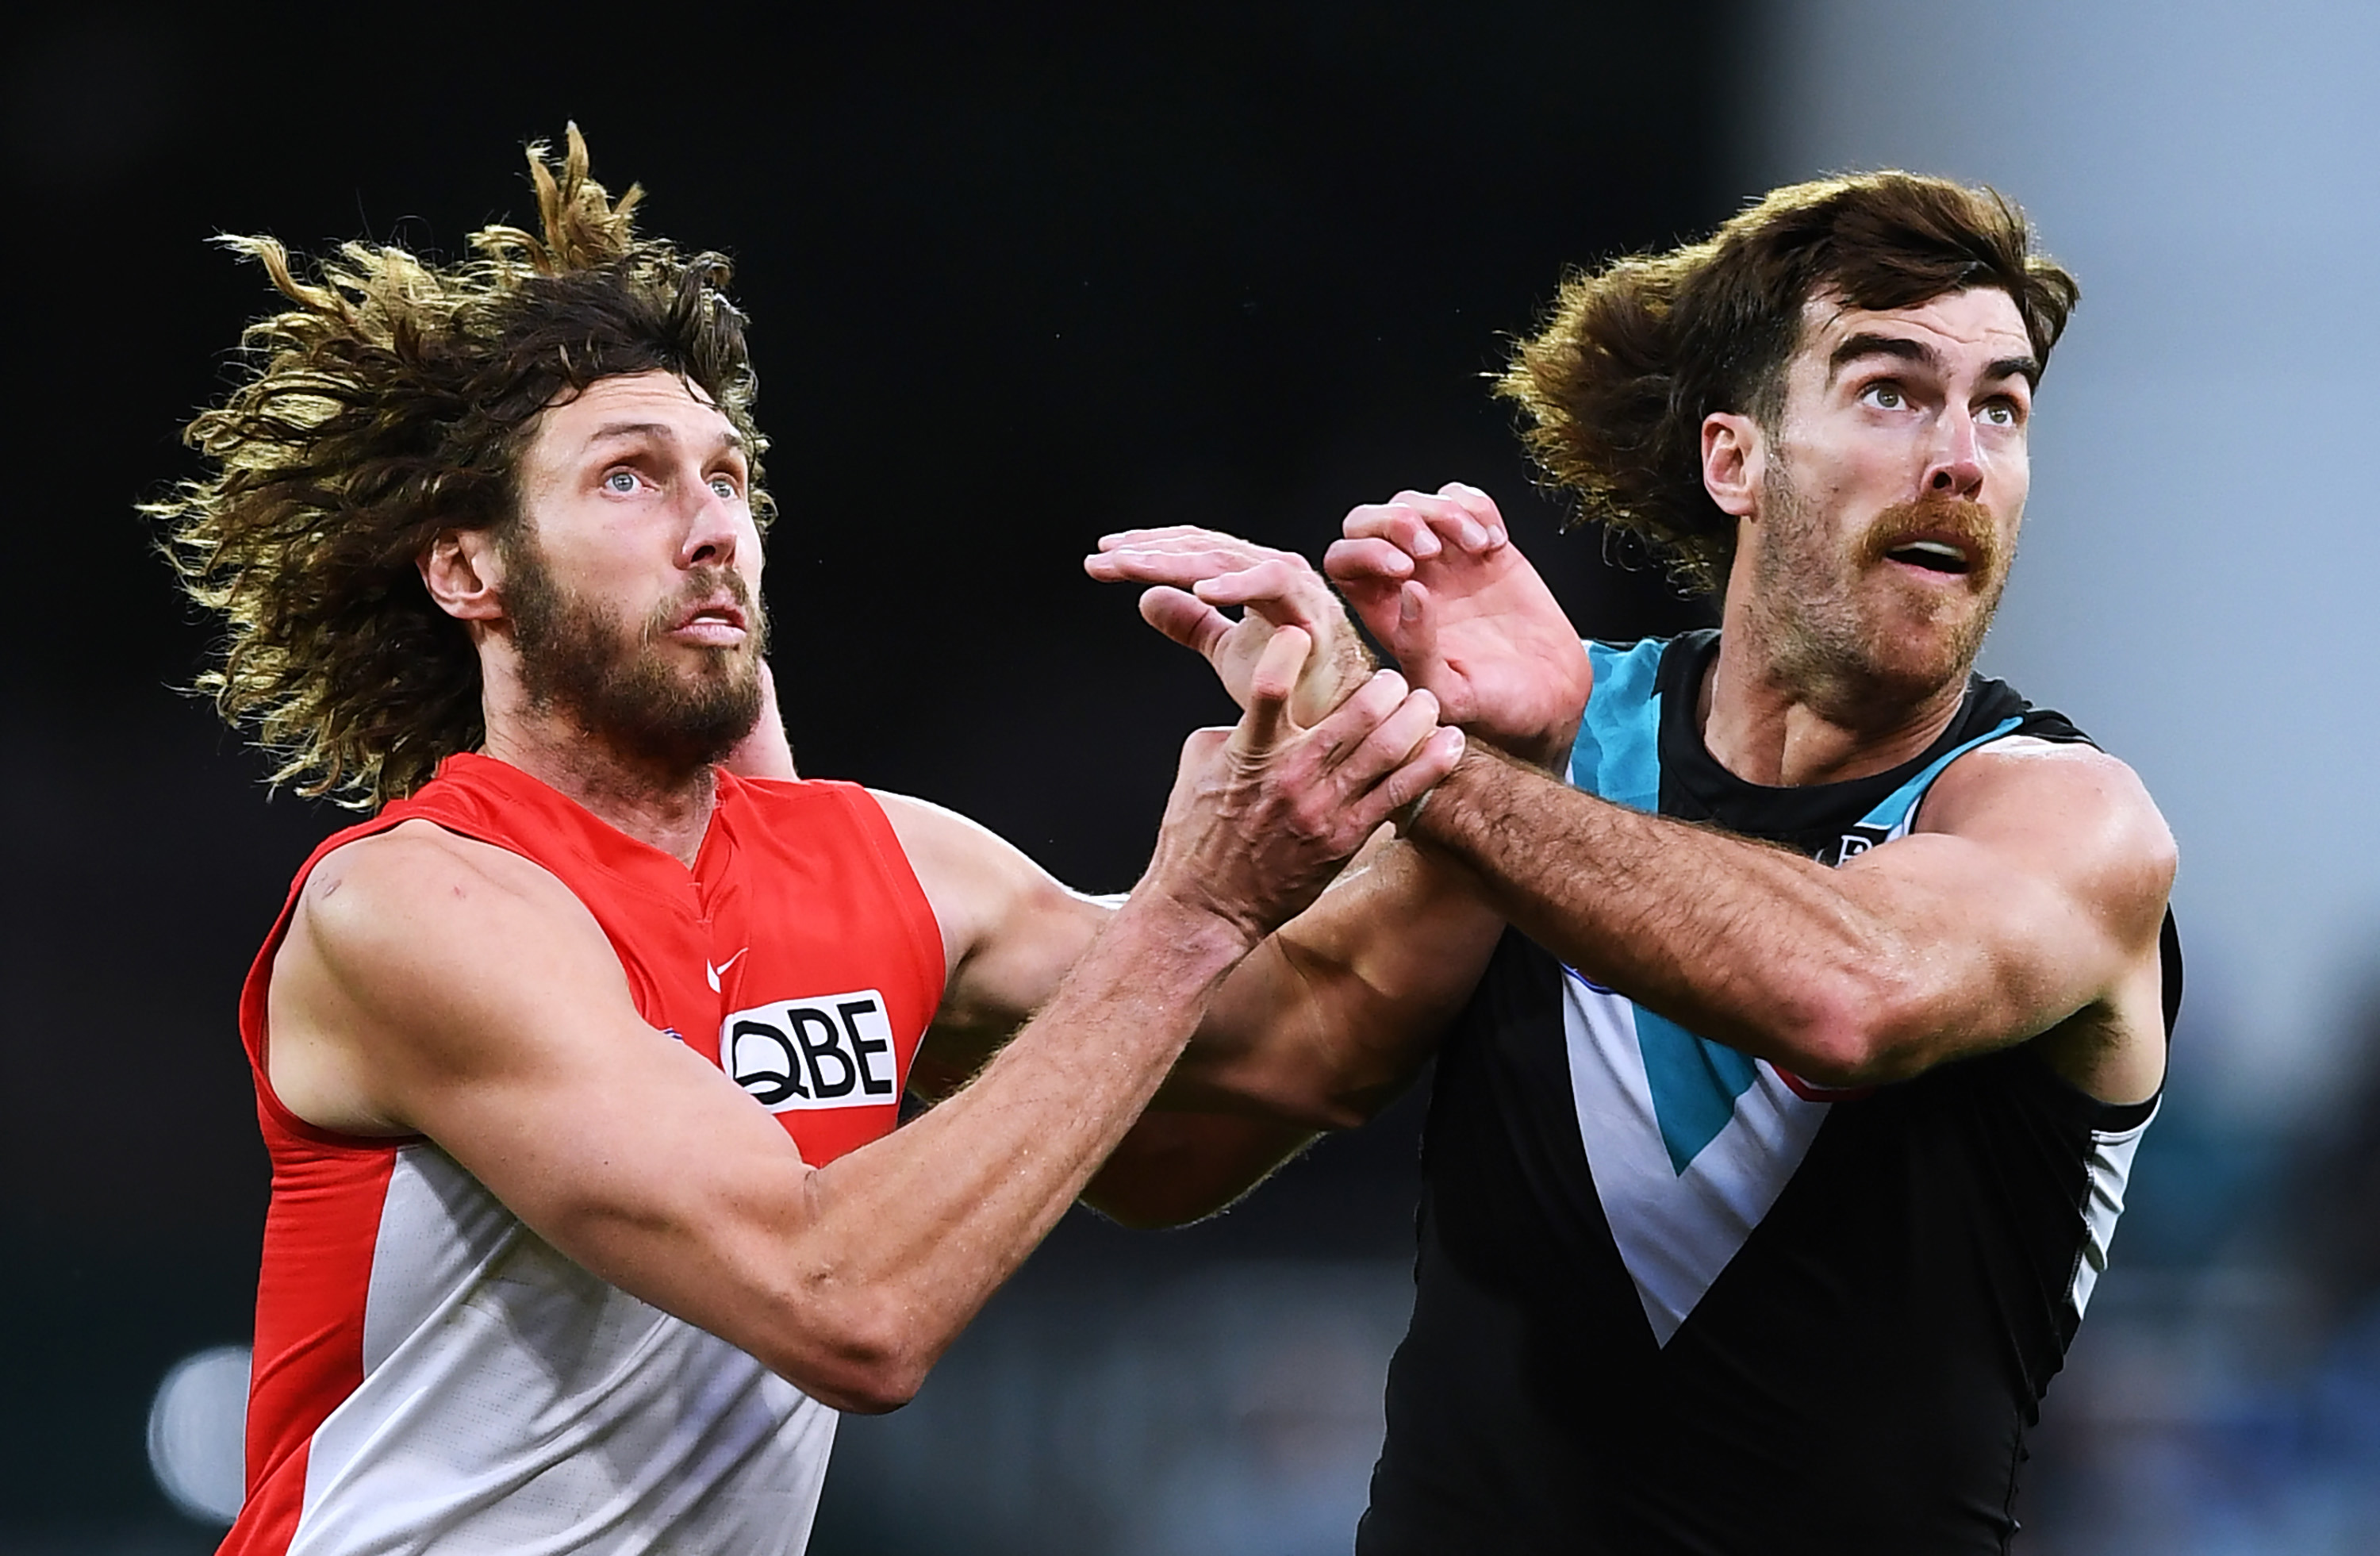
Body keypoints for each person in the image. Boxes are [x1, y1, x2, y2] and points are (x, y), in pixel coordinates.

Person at [159, 128, 1462, 1554]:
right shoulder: (416, 904)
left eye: (725, 476)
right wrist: (1193, 913)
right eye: (628, 478)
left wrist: (1459, 742)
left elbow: (1323, 1031)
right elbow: (845, 1309)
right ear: (469, 569)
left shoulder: (884, 862)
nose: (712, 525)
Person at [1090, 171, 2182, 1553]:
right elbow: (1168, 1156)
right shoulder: (1545, 753)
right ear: (1736, 460)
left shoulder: (2068, 819)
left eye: (2002, 406)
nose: (1960, 456)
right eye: (1893, 390)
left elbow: (1849, 991)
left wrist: (1411, 753)